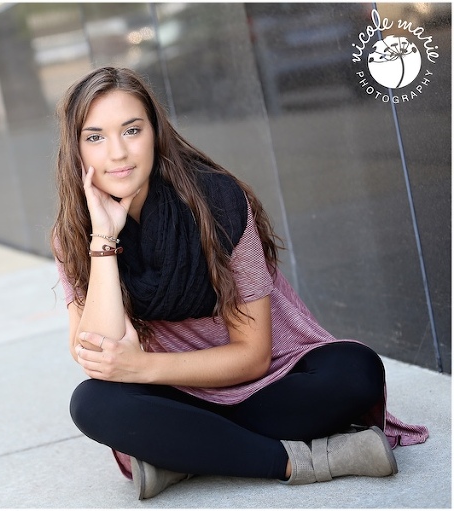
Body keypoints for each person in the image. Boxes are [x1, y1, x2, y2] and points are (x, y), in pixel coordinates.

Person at [50, 67, 428, 500]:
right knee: (94, 404)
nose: (117, 153)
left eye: (131, 130)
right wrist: (103, 239)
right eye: (95, 137)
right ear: (76, 149)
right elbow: (99, 354)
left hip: (261, 384)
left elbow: (252, 356)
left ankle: (183, 454)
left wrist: (141, 367)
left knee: (355, 371)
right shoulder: (75, 236)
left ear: (154, 132)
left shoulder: (220, 203)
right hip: (173, 396)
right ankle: (301, 461)